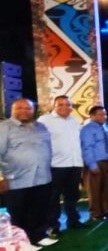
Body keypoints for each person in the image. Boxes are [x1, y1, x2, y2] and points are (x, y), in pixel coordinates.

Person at [0, 99, 58, 247]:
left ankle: (39, 236)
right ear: (12, 110)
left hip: (42, 178)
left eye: (28, 108)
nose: (24, 111)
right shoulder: (4, 128)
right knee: (18, 213)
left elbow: (48, 149)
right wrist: (1, 177)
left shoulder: (41, 127)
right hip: (16, 180)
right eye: (19, 108)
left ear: (33, 110)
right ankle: (21, 243)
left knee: (39, 209)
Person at [38, 95, 85, 235]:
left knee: (72, 195)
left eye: (68, 104)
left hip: (75, 164)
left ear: (71, 107)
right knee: (53, 197)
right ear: (54, 106)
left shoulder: (75, 120)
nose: (64, 107)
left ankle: (73, 220)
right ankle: (53, 225)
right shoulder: (44, 120)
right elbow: (38, 142)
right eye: (60, 104)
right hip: (55, 165)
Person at [80, 105, 108, 222]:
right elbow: (87, 148)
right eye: (100, 114)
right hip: (96, 162)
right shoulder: (87, 129)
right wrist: (92, 165)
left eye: (104, 114)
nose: (103, 116)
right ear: (92, 116)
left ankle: (106, 210)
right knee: (95, 189)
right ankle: (96, 213)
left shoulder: (105, 127)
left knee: (107, 188)